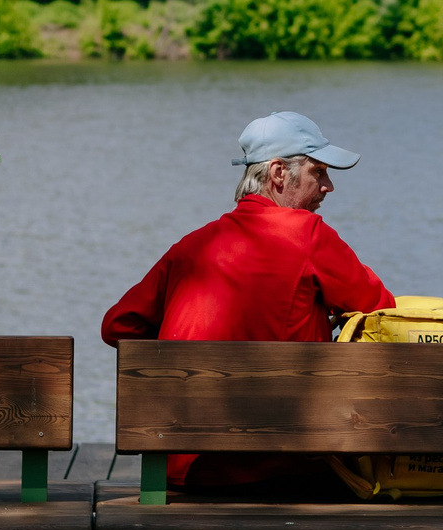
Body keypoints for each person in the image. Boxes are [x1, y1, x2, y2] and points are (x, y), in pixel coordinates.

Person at [101, 110, 396, 493]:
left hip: (183, 468)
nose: (328, 187)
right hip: (277, 465)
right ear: (277, 174)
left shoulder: (195, 246)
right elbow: (384, 313)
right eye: (318, 172)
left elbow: (118, 327)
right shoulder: (308, 235)